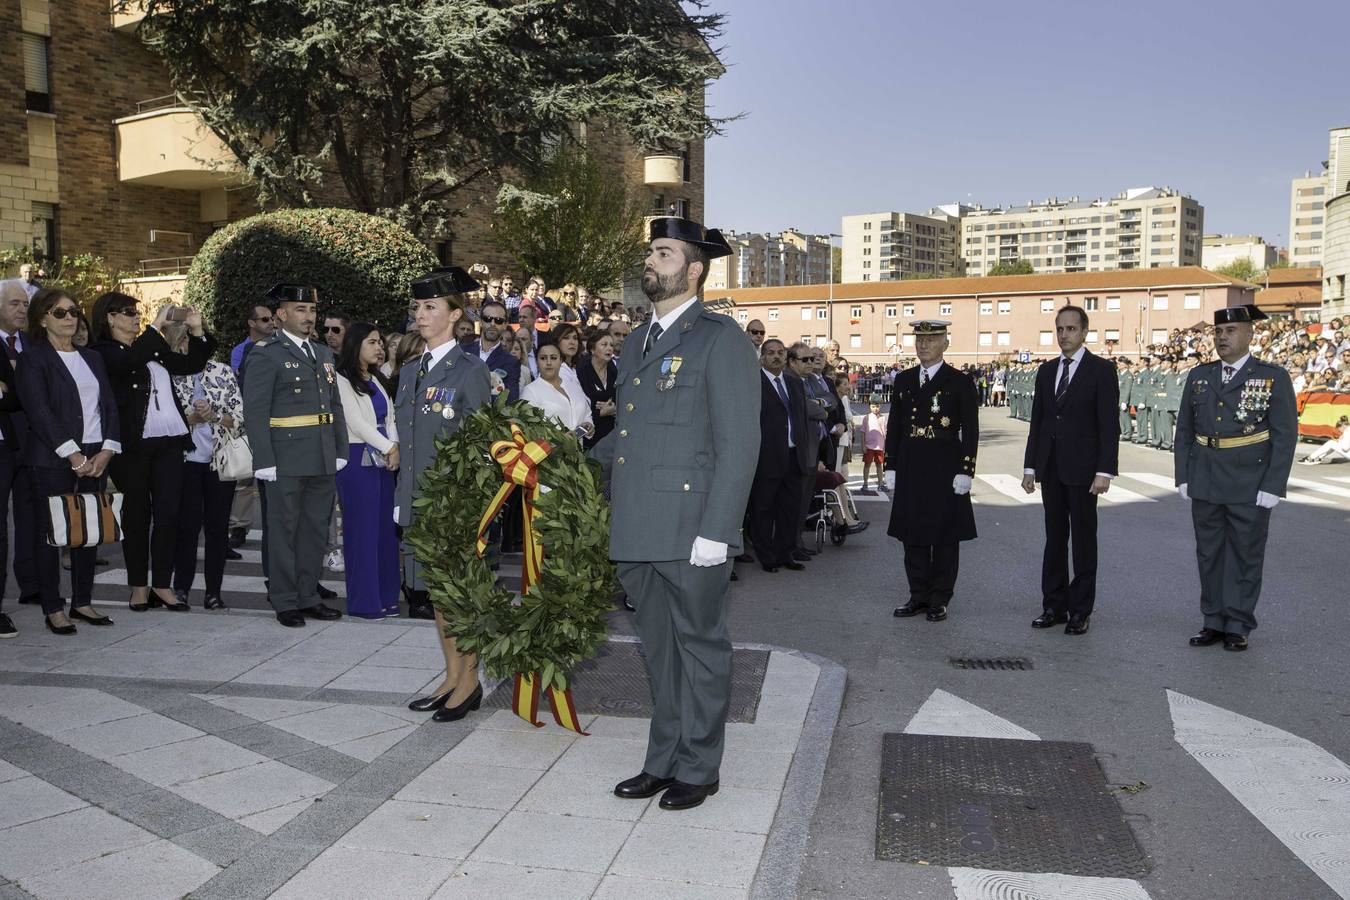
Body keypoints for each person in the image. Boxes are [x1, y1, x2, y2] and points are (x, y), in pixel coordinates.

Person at [594, 216, 759, 812]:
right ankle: (662, 758)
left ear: (693, 269)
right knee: (659, 651)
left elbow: (740, 443)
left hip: (691, 530)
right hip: (637, 525)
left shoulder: (720, 339)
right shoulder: (637, 341)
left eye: (662, 253)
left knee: (701, 648)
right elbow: (631, 435)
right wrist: (565, 461)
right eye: (649, 252)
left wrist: (718, 531)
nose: (650, 262)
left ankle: (699, 765)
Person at [397, 267, 493, 721]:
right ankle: (452, 675)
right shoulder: (411, 370)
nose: (420, 314)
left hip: (455, 504)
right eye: (417, 307)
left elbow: (482, 445)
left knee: (460, 595)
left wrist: (472, 507)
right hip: (418, 500)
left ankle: (470, 680)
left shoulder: (471, 371)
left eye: (430, 307)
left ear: (455, 315)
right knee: (438, 595)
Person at [1175, 305, 1297, 652]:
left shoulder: (1272, 376)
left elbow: (1285, 434)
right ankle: (1212, 619)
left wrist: (1274, 485)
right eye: (1218, 332)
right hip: (1206, 477)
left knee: (1245, 554)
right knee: (1209, 553)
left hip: (1249, 479)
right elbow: (1184, 429)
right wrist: (1184, 474)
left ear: (1249, 334)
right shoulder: (1201, 376)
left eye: (1230, 331)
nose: (1222, 337)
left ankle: (1239, 623)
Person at [91, 293, 216, 613]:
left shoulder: (152, 347)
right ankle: (138, 587)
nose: (136, 318)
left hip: (170, 442)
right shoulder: (103, 352)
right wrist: (156, 326)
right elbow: (128, 363)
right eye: (129, 313)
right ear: (110, 318)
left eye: (138, 313)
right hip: (133, 446)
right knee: (136, 517)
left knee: (168, 515)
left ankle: (162, 585)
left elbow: (191, 363)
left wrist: (198, 331)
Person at [15, 288, 120, 635]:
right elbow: (40, 412)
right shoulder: (35, 358)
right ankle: (53, 607)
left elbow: (109, 406)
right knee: (52, 535)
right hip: (52, 459)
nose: (70, 318)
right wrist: (73, 455)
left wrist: (106, 450)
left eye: (73, 311)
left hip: (95, 455)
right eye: (60, 313)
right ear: (42, 318)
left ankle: (82, 601)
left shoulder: (92, 358)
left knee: (87, 531)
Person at [242, 283, 347, 628]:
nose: (308, 317)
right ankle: (285, 599)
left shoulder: (323, 353)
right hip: (285, 457)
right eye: (300, 310)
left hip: (321, 454)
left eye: (312, 311)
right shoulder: (265, 353)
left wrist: (340, 448)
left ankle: (308, 595)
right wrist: (265, 460)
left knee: (315, 530)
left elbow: (334, 405)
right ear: (282, 315)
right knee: (283, 531)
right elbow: (255, 412)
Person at [1021, 306, 1119, 636]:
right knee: (1054, 540)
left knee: (1083, 542)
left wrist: (1105, 470)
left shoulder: (1101, 370)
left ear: (1084, 332)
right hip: (1051, 469)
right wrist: (1030, 465)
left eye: (1071, 329)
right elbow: (1039, 422)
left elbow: (1109, 425)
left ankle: (1080, 610)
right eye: (1060, 329)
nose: (1064, 335)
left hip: (1084, 471)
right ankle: (1054, 605)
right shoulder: (1047, 371)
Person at [884, 321, 978, 622]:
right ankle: (918, 595)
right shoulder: (905, 379)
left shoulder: (959, 381)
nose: (923, 344)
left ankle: (940, 598)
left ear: (945, 344)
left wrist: (966, 470)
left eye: (931, 339)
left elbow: (971, 430)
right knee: (913, 534)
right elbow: (896, 425)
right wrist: (891, 464)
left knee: (944, 536)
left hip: (944, 465)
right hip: (912, 464)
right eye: (920, 339)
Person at [170, 323, 244, 611]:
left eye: (191, 340)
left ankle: (214, 592)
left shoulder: (222, 371)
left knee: (217, 530)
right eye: (181, 341)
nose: (187, 345)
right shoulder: (169, 372)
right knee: (186, 528)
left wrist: (214, 416)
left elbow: (239, 416)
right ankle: (181, 588)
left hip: (220, 462)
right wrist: (191, 419)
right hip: (185, 462)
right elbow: (160, 420)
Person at [335, 322, 401, 619]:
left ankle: (387, 598)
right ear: (355, 345)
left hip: (384, 458)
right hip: (357, 457)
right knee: (362, 533)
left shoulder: (375, 379)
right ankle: (364, 602)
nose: (380, 348)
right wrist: (389, 448)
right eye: (373, 342)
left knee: (385, 533)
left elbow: (390, 417)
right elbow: (355, 423)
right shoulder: (341, 380)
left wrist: (394, 445)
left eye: (380, 342)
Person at [748, 339, 809, 573]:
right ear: (762, 357)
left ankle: (786, 553)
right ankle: (767, 556)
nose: (776, 356)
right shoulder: (754, 383)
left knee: (789, 509)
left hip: (793, 455)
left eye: (780, 352)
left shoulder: (794, 383)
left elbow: (801, 419)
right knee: (764, 509)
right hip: (766, 457)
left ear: (786, 356)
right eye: (770, 352)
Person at [0, 281, 39, 634]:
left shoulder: (32, 345)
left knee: (31, 517)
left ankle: (32, 586)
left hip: (32, 443)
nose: (22, 310)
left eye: (25, 304)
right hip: (2, 443)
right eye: (14, 303)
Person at [521, 343, 593, 436]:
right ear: (537, 362)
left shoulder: (573, 386)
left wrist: (588, 424)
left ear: (561, 361)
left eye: (553, 358)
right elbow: (528, 428)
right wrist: (559, 437)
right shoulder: (530, 391)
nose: (548, 362)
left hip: (579, 448)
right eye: (543, 358)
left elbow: (587, 413)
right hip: (550, 449)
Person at [465, 299, 521, 401]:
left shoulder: (511, 363)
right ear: (481, 321)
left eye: (498, 320)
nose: (492, 324)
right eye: (488, 319)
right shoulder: (462, 351)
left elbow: (509, 401)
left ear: (505, 325)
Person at [576, 330, 618, 448]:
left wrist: (614, 409)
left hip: (610, 435)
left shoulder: (613, 370)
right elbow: (579, 408)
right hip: (588, 436)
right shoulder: (582, 371)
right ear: (592, 349)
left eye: (611, 345)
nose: (609, 348)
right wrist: (600, 413)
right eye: (604, 345)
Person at [232, 304, 276, 374]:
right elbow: (241, 379)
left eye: (272, 319)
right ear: (251, 323)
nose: (271, 322)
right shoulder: (239, 351)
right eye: (265, 319)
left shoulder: (280, 342)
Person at [858, 401, 887, 494]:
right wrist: (863, 445)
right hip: (869, 446)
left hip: (879, 446)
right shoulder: (867, 418)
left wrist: (885, 446)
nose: (875, 408)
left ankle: (880, 484)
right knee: (867, 465)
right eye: (873, 406)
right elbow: (862, 432)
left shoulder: (883, 418)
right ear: (870, 407)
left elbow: (885, 433)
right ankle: (865, 484)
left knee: (879, 465)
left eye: (877, 406)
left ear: (880, 406)